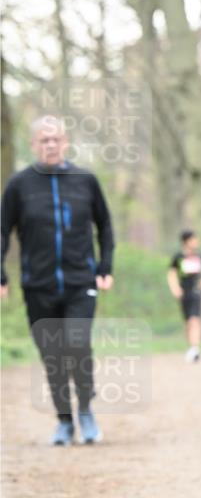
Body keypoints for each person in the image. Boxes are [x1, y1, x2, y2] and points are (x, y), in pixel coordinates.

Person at [0, 115, 114, 445]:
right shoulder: (19, 185)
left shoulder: (86, 180)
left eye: (56, 139)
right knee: (52, 354)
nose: (50, 145)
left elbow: (104, 226)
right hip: (38, 284)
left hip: (81, 281)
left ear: (65, 143)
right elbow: (3, 230)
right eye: (43, 140)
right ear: (34, 144)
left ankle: (86, 411)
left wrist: (105, 266)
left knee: (77, 345)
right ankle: (64, 420)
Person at [167, 230, 201, 363]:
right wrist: (175, 288)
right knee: (188, 321)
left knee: (195, 319)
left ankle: (195, 348)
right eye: (194, 239)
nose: (196, 242)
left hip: (196, 290)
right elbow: (171, 273)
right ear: (186, 241)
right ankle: (191, 347)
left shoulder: (200, 256)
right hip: (184, 291)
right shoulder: (178, 257)